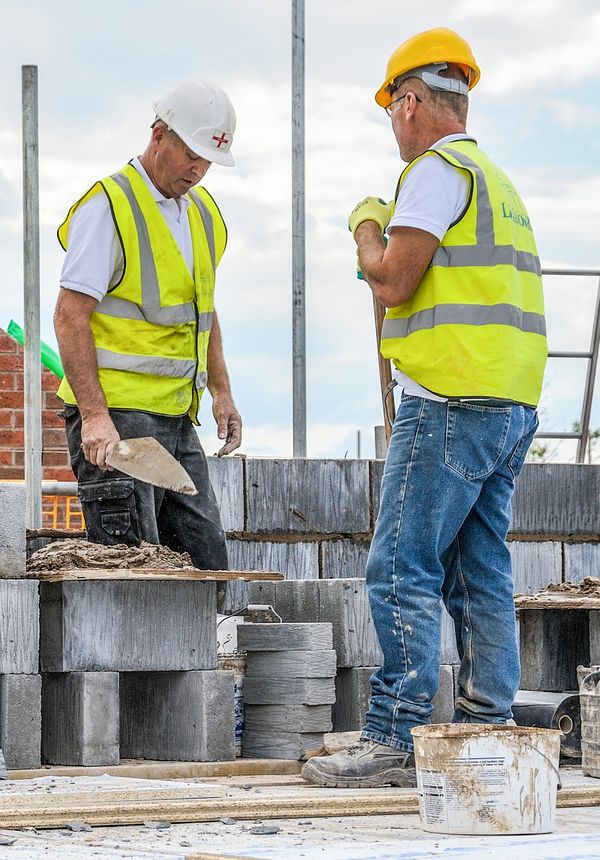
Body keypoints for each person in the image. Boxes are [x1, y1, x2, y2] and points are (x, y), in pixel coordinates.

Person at [302, 28, 547, 788]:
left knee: (401, 565)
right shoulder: (497, 183)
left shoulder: (436, 172)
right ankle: (485, 728)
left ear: (411, 102)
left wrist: (366, 225)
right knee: (480, 571)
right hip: (508, 405)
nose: (394, 127)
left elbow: (393, 280)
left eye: (392, 110)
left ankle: (393, 736)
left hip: (448, 401)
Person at [53, 79, 241, 602]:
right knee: (137, 581)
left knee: (207, 572)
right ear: (159, 135)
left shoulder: (202, 214)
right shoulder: (110, 206)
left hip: (176, 419)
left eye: (207, 161)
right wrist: (94, 416)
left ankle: (208, 658)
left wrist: (222, 392)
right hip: (119, 421)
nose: (198, 170)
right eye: (191, 155)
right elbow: (69, 316)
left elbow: (204, 312)